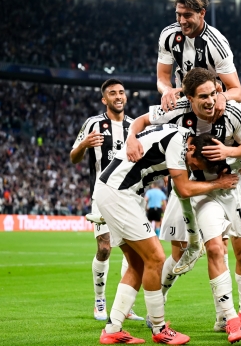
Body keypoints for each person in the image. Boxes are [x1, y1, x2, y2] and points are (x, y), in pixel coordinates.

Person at [126, 67, 241, 340]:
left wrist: (228, 151)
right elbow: (139, 122)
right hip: (190, 187)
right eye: (203, 97)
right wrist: (130, 138)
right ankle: (158, 304)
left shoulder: (231, 111)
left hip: (228, 184)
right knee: (180, 251)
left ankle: (238, 315)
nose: (210, 101)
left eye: (213, 93)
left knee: (240, 251)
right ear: (189, 98)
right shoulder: (177, 109)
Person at [93, 125, 240, 344]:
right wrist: (218, 183)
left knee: (137, 264)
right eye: (193, 162)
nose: (190, 166)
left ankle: (113, 328)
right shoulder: (178, 141)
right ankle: (159, 328)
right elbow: (184, 189)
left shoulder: (176, 135)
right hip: (119, 193)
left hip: (112, 190)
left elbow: (144, 122)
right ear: (191, 148)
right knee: (156, 258)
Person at [70, 79, 143, 322]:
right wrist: (84, 144)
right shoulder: (93, 124)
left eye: (121, 92)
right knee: (104, 247)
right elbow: (74, 157)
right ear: (105, 99)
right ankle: (99, 300)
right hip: (102, 196)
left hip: (131, 197)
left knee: (133, 252)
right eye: (112, 93)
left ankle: (127, 305)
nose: (118, 96)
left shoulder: (135, 126)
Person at [157, 0, 241, 118]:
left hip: (213, 108)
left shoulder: (216, 44)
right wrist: (166, 90)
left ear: (202, 13)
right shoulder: (168, 35)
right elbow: (162, 77)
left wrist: (223, 96)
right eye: (178, 15)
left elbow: (237, 91)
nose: (182, 21)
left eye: (187, 15)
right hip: (186, 103)